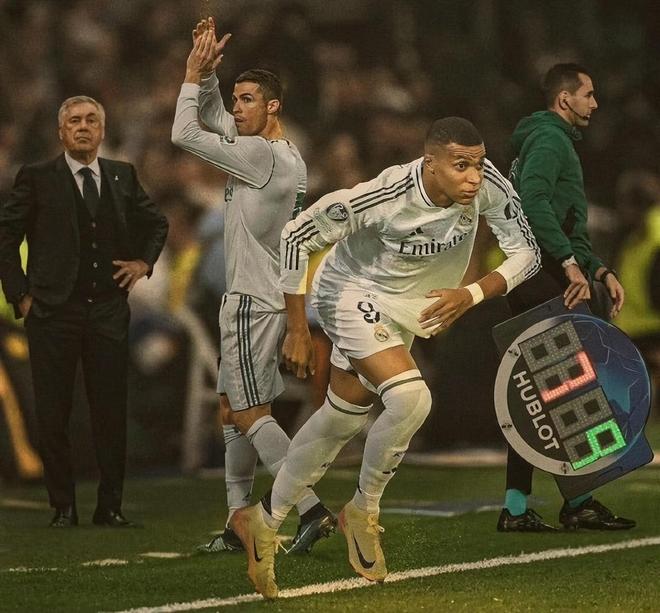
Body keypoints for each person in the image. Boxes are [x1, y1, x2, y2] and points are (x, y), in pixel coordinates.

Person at [229, 116, 541, 599]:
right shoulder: (386, 194)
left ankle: (263, 520)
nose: (474, 177)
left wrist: (472, 294)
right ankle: (362, 510)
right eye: (461, 166)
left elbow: (527, 253)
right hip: (351, 292)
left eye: (478, 164)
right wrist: (296, 327)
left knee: (341, 417)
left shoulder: (488, 187)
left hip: (409, 310)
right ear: (430, 163)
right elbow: (295, 236)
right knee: (412, 399)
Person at [171, 19, 335, 554]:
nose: (237, 109)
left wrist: (191, 75)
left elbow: (185, 133)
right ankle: (237, 522)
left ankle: (309, 507)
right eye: (236, 99)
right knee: (231, 409)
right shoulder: (284, 154)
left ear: (274, 106)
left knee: (247, 413)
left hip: (249, 303)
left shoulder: (260, 157)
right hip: (263, 298)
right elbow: (219, 120)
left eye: (248, 100)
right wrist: (210, 76)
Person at [0, 95, 168, 527]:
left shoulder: (122, 174)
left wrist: (144, 263)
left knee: (110, 409)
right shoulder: (37, 177)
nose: (83, 126)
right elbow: (6, 236)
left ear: (102, 130)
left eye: (91, 120)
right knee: (52, 411)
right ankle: (63, 506)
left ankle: (110, 506)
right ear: (61, 132)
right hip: (52, 311)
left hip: (107, 309)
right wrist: (20, 295)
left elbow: (157, 223)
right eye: (74, 120)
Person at [498, 63, 634, 532]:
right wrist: (570, 265)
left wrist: (598, 268)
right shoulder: (551, 140)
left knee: (542, 393)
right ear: (564, 99)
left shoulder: (547, 139)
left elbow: (563, 220)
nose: (595, 103)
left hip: (539, 272)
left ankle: (521, 507)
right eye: (588, 94)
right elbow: (533, 202)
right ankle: (575, 503)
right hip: (544, 276)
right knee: (570, 389)